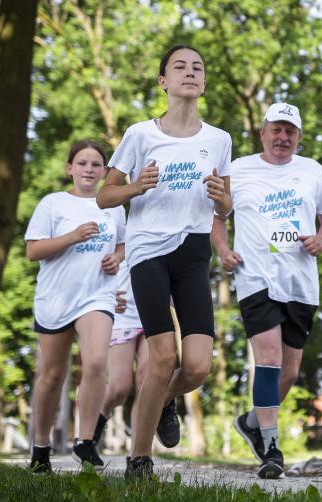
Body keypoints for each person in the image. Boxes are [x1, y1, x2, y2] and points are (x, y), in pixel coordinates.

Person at [98, 44, 232, 481]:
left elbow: (226, 208)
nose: (190, 72)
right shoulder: (140, 134)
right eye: (180, 67)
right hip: (148, 252)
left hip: (193, 253)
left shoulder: (219, 140)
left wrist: (222, 200)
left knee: (195, 366)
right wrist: (135, 188)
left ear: (204, 83)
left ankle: (161, 401)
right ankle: (140, 460)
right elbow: (105, 195)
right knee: (160, 357)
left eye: (198, 67)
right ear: (164, 82)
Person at [215, 102, 322, 479]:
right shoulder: (237, 170)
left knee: (289, 372)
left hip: (300, 282)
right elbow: (217, 219)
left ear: (298, 137)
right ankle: (271, 449)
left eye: (290, 131)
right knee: (267, 357)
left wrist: (320, 239)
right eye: (276, 130)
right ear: (263, 133)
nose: (283, 137)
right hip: (255, 276)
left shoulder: (312, 171)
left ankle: (253, 421)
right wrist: (222, 250)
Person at [25, 140, 126, 472]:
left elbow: (124, 245)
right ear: (70, 168)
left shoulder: (113, 206)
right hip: (56, 298)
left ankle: (84, 442)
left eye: (96, 164)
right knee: (52, 376)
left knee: (97, 362)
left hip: (96, 295)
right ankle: (41, 448)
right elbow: (34, 251)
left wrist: (116, 258)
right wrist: (72, 236)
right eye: (82, 163)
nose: (89, 170)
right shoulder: (53, 204)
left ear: (104, 171)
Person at [93, 256, 148, 453]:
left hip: (153, 312)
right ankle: (97, 419)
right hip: (122, 316)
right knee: (119, 388)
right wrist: (105, 295)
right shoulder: (117, 228)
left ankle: (138, 453)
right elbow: (90, 264)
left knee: (147, 384)